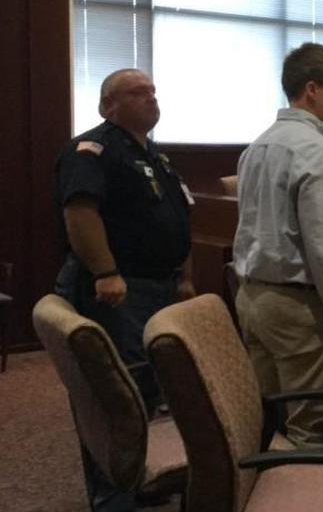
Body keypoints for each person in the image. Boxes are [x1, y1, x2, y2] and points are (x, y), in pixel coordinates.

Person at [54, 68, 195, 511]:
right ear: (107, 105)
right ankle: (111, 494)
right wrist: (105, 271)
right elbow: (80, 213)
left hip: (158, 287)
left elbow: (180, 217)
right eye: (138, 92)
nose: (151, 99)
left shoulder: (155, 154)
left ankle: (134, 480)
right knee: (114, 395)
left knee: (149, 390)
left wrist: (186, 277)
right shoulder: (92, 149)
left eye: (153, 91)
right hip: (118, 289)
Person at [232, 42, 323, 448]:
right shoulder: (319, 152)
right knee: (314, 424)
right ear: (312, 89)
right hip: (297, 309)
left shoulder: (257, 146)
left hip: (252, 297)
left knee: (268, 418)